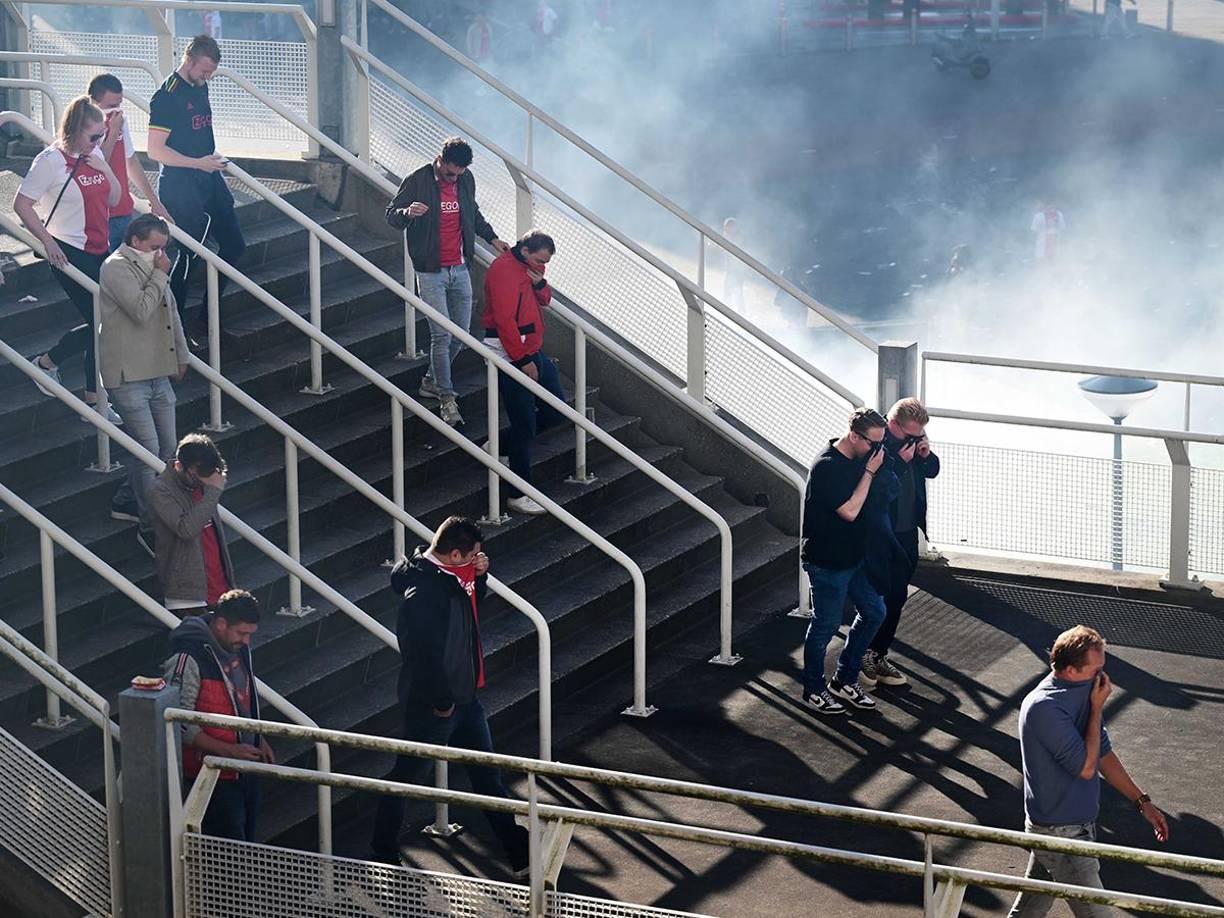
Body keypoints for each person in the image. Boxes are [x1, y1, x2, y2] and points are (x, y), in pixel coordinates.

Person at [371, 517, 529, 875]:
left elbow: (470, 609)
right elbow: (421, 654)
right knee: (408, 777)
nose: (478, 559)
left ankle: (519, 853)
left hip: (464, 698)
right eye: (473, 555)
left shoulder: (451, 576)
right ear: (455, 554)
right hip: (436, 705)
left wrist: (482, 576)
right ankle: (382, 851)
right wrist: (442, 702)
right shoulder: (425, 593)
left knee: (487, 779)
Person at [1008, 626, 1169, 917]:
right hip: (1060, 834)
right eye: (1096, 669)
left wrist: (1142, 802)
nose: (1104, 677)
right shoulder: (1044, 708)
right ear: (1070, 670)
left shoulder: (1085, 688)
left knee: (1029, 911)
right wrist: (1096, 709)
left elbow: (1103, 755)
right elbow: (1085, 768)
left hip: (1072, 826)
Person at [385, 137, 508, 427]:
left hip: (460, 268)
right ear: (440, 159)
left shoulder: (466, 180)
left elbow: (472, 213)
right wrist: (407, 213)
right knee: (442, 336)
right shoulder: (417, 180)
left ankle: (430, 380)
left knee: (461, 334)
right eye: (451, 172)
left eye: (460, 173)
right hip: (430, 271)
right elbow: (391, 215)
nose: (455, 177)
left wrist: (492, 238)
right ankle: (446, 398)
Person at [16, 95, 123, 420]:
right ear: (74, 131)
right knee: (103, 321)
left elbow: (116, 198)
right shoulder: (51, 160)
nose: (98, 141)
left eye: (102, 135)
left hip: (99, 248)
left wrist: (104, 162)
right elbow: (22, 204)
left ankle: (48, 363)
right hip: (69, 252)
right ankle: (93, 398)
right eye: (93, 136)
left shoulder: (94, 157)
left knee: (103, 322)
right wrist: (48, 242)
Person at [147, 35, 246, 344]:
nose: (208, 77)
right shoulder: (167, 96)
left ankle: (207, 318)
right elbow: (155, 151)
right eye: (204, 70)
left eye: (211, 72)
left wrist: (209, 162)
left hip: (209, 177)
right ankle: (175, 330)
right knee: (188, 255)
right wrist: (196, 163)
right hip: (181, 184)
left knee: (235, 246)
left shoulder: (201, 85)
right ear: (188, 60)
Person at [100, 214, 187, 555]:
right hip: (128, 376)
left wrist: (182, 355)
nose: (162, 255)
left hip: (157, 372)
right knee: (149, 453)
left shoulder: (156, 270)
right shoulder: (115, 267)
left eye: (164, 248)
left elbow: (171, 313)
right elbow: (141, 309)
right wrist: (161, 275)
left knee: (167, 449)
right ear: (135, 241)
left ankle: (126, 500)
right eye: (156, 247)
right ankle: (151, 525)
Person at [799, 408, 891, 715]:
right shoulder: (827, 467)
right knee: (825, 625)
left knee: (875, 611)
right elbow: (849, 511)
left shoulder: (859, 458)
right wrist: (869, 473)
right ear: (854, 436)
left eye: (882, 443)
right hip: (827, 562)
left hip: (854, 558)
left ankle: (844, 679)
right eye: (873, 444)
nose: (877, 450)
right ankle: (813, 689)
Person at [164, 589, 273, 842]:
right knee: (226, 857)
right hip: (211, 777)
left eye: (249, 634)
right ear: (221, 624)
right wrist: (228, 750)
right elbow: (178, 723)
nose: (246, 641)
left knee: (243, 848)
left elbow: (242, 699)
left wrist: (258, 738)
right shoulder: (187, 657)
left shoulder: (237, 647)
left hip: (243, 768)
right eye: (242, 633)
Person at [482, 230, 563, 517]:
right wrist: (523, 359)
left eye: (546, 262)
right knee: (525, 423)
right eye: (540, 260)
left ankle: (500, 445)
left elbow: (545, 300)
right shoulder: (503, 270)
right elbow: (504, 321)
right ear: (525, 250)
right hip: (509, 351)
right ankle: (517, 494)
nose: (542, 265)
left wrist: (541, 283)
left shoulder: (533, 267)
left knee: (556, 410)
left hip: (530, 347)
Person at [860, 398, 940, 689]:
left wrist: (925, 453)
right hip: (882, 533)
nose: (914, 439)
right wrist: (901, 462)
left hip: (906, 533)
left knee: (898, 596)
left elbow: (931, 470)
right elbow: (873, 482)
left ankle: (878, 653)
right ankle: (863, 654)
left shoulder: (911, 444)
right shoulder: (876, 440)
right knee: (879, 597)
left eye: (919, 435)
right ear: (893, 425)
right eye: (911, 434)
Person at [86, 73, 174, 252]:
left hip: (123, 210)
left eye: (119, 104)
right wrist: (112, 131)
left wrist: (153, 201)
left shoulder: (119, 121)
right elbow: (97, 162)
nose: (116, 110)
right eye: (111, 106)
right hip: (99, 215)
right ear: (93, 103)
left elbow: (131, 162)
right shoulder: (84, 127)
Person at [147, 433, 233, 615]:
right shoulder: (160, 490)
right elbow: (186, 529)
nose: (203, 481)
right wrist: (213, 492)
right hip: (186, 596)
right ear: (179, 466)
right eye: (196, 477)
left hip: (220, 586)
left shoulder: (206, 480)